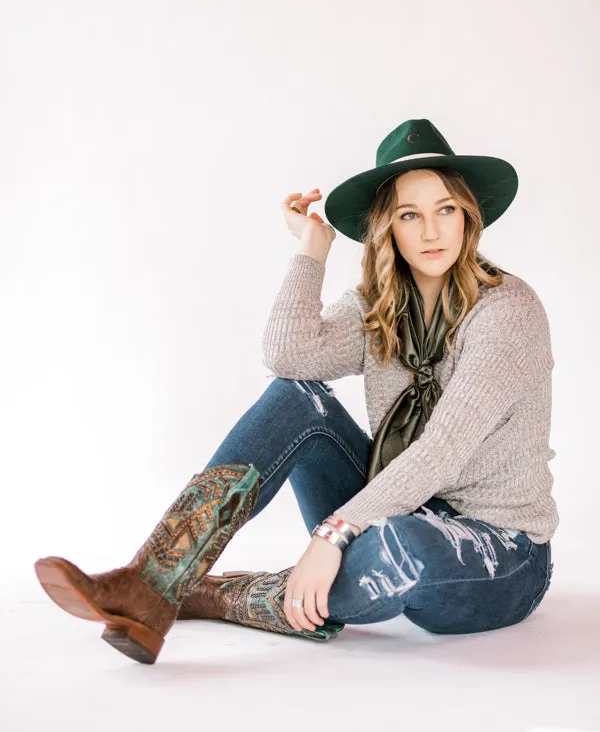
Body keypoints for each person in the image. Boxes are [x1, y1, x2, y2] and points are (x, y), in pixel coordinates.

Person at [34, 118, 558, 664]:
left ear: (468, 218)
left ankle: (211, 594)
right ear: (387, 229)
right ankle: (154, 582)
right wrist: (313, 247)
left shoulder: (506, 312)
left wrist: (333, 535)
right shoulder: (378, 308)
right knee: (297, 398)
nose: (431, 231)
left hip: (501, 551)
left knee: (399, 547)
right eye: (410, 214)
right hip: (393, 507)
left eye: (445, 210)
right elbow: (287, 356)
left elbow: (443, 449)